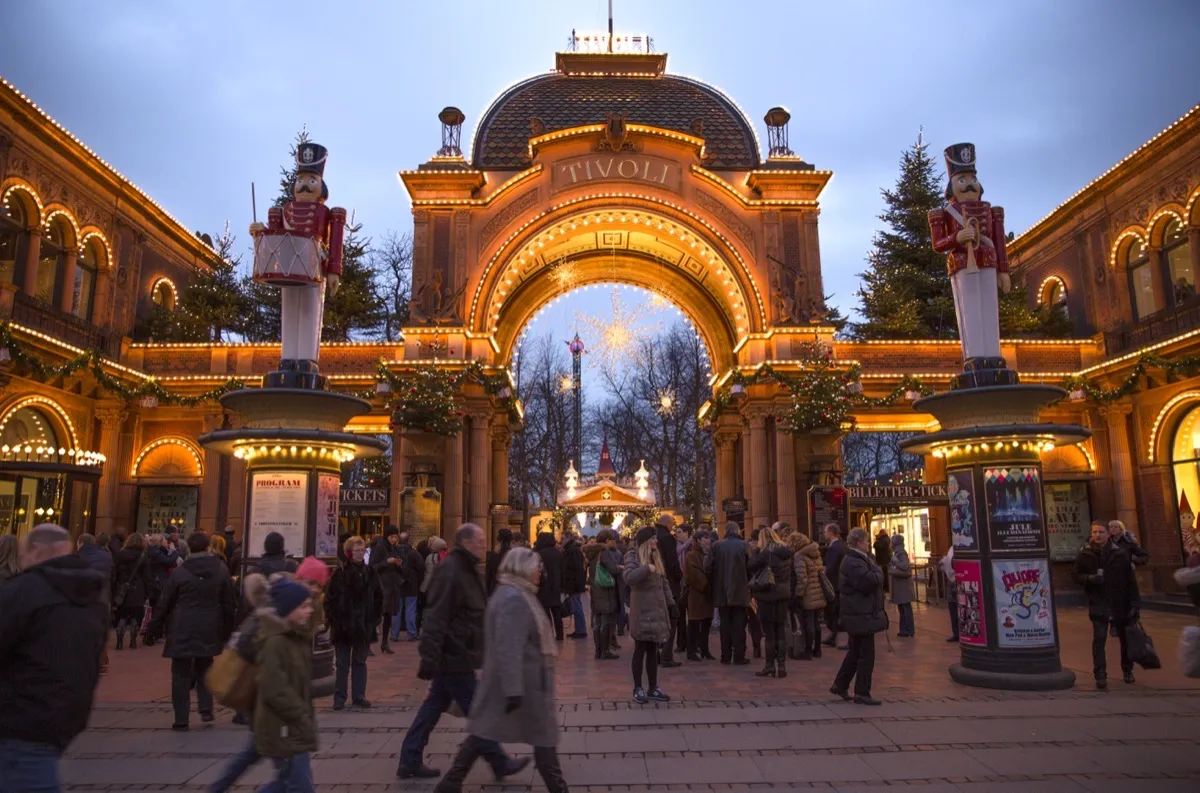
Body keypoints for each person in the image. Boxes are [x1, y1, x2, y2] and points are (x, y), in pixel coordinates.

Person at [396, 524, 525, 781]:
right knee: (480, 712)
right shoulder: (452, 569)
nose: (482, 546)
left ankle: (409, 758)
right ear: (465, 542)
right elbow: (436, 615)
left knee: (432, 708)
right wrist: (430, 656)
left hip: (458, 652)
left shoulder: (465, 567)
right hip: (454, 654)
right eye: (479, 541)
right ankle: (498, 762)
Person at [434, 548, 563, 793]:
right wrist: (514, 689)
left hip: (519, 683)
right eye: (537, 566)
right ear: (521, 567)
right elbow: (508, 647)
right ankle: (559, 788)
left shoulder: (518, 593)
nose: (540, 572)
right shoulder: (513, 598)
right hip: (521, 684)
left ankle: (451, 781)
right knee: (541, 739)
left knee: (485, 730)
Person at [0, 524, 108, 791]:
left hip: (20, 716)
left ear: (36, 550)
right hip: (66, 715)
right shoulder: (93, 595)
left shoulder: (24, 590)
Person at [148, 531, 237, 730]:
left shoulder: (180, 572)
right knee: (205, 665)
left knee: (180, 672)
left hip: (183, 624)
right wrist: (228, 630)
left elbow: (165, 603)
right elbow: (229, 603)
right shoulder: (221, 570)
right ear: (207, 547)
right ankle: (206, 709)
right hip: (209, 624)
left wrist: (153, 628)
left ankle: (181, 718)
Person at [254, 578, 319, 793]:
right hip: (283, 727)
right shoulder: (277, 641)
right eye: (303, 607)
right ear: (288, 610)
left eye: (309, 605)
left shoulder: (296, 636)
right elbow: (273, 686)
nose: (308, 610)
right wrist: (299, 712)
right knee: (300, 786)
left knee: (286, 783)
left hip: (292, 727)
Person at [830, 528, 887, 706]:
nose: (868, 544)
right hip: (860, 614)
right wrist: (878, 572)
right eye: (866, 541)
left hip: (860, 613)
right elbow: (869, 581)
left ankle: (840, 684)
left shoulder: (859, 559)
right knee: (865, 655)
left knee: (855, 652)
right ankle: (862, 692)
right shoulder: (854, 561)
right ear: (858, 542)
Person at [325, 536, 382, 710]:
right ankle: (339, 697)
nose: (360, 553)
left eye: (362, 550)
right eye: (357, 550)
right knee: (342, 664)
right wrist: (335, 619)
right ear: (349, 553)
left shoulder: (371, 573)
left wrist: (374, 619)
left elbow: (379, 597)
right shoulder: (340, 574)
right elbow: (329, 599)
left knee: (360, 661)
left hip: (363, 625)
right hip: (343, 626)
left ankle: (359, 695)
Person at [623, 526, 674, 704]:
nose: (656, 541)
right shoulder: (633, 556)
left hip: (657, 610)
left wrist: (671, 603)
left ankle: (653, 687)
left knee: (653, 651)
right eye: (653, 539)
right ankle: (637, 688)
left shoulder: (656, 557)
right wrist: (646, 568)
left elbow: (663, 582)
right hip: (642, 612)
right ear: (645, 541)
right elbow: (628, 577)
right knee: (640, 650)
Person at [748, 525, 794, 678]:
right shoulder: (786, 552)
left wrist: (755, 551)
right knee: (780, 629)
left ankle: (769, 666)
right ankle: (782, 666)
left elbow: (751, 566)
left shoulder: (765, 553)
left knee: (769, 633)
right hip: (783, 594)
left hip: (768, 594)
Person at [711, 521, 751, 665]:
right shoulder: (744, 545)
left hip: (721, 591)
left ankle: (725, 655)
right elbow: (751, 566)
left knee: (725, 624)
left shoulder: (716, 546)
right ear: (737, 530)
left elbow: (708, 566)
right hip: (740, 590)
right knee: (739, 624)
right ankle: (739, 655)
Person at [788, 530, 827, 660]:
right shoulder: (815, 552)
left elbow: (802, 578)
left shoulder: (799, 556)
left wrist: (798, 594)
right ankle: (818, 649)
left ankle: (808, 650)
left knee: (808, 622)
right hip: (818, 591)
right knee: (816, 622)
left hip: (808, 593)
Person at [585, 529, 622, 660]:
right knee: (605, 622)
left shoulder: (591, 552)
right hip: (605, 589)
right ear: (607, 541)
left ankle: (597, 650)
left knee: (597, 621)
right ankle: (605, 650)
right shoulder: (603, 552)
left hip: (595, 589)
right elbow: (612, 569)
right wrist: (620, 568)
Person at [112, 533, 153, 650]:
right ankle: (133, 641)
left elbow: (114, 572)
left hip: (122, 589)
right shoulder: (143, 556)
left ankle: (119, 642)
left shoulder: (120, 555)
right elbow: (147, 576)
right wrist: (149, 592)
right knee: (135, 616)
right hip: (138, 590)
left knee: (122, 616)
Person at [370, 526, 407, 653]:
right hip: (381, 586)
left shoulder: (396, 549)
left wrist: (399, 564)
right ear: (387, 536)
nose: (394, 539)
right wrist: (387, 562)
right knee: (377, 615)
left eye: (396, 537)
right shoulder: (379, 548)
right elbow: (372, 566)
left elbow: (403, 568)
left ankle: (385, 642)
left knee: (388, 615)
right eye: (392, 537)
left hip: (393, 586)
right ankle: (368, 643)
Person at [652, 515, 682, 667]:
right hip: (669, 583)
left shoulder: (653, 536)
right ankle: (666, 656)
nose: (673, 527)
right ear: (666, 523)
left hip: (655, 582)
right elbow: (672, 561)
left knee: (659, 620)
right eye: (672, 524)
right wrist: (679, 575)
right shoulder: (668, 539)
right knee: (672, 618)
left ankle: (656, 653)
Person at [684, 529, 715, 661]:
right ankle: (691, 651)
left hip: (707, 595)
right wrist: (706, 585)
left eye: (709, 541)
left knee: (706, 623)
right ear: (697, 541)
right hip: (697, 594)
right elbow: (693, 574)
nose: (708, 543)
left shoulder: (709, 554)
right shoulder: (691, 555)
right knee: (694, 624)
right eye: (705, 540)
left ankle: (705, 649)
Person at [391, 530, 424, 642]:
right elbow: (421, 567)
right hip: (411, 585)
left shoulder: (393, 553)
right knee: (411, 609)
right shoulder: (414, 553)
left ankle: (394, 634)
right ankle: (412, 633)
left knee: (396, 610)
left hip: (397, 585)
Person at [533, 532, 565, 641]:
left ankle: (549, 634)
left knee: (546, 612)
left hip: (543, 585)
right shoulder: (558, 553)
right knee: (557, 612)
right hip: (556, 585)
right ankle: (560, 634)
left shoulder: (539, 553)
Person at [822, 524, 847, 649]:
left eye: (826, 532)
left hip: (835, 584)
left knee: (834, 611)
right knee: (835, 612)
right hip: (838, 583)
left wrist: (823, 574)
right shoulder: (839, 545)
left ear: (831, 532)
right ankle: (833, 635)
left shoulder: (835, 547)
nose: (824, 534)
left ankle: (835, 633)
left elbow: (830, 566)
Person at [561, 532, 588, 639]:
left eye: (563, 538)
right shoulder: (570, 550)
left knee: (577, 607)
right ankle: (578, 629)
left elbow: (577, 569)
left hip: (573, 584)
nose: (561, 540)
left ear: (568, 538)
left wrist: (576, 584)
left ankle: (581, 630)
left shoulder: (573, 550)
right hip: (572, 583)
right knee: (575, 606)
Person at [672, 523, 693, 655]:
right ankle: (681, 643)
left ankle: (692, 643)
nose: (677, 534)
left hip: (689, 583)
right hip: (679, 583)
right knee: (680, 614)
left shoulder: (691, 546)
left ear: (686, 533)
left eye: (679, 532)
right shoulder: (677, 547)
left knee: (692, 615)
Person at [889, 534, 915, 638]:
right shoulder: (898, 552)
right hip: (901, 586)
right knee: (903, 608)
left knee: (905, 608)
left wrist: (896, 562)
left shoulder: (900, 553)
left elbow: (905, 566)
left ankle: (908, 629)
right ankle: (905, 629)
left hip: (903, 586)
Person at [485, 528, 514, 594]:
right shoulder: (512, 554)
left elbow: (488, 575)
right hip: (509, 589)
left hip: (496, 588)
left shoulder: (494, 554)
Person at [940, 547, 959, 642]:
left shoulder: (958, 548)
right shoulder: (951, 549)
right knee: (952, 608)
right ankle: (956, 633)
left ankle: (959, 633)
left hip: (957, 581)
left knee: (957, 608)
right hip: (951, 582)